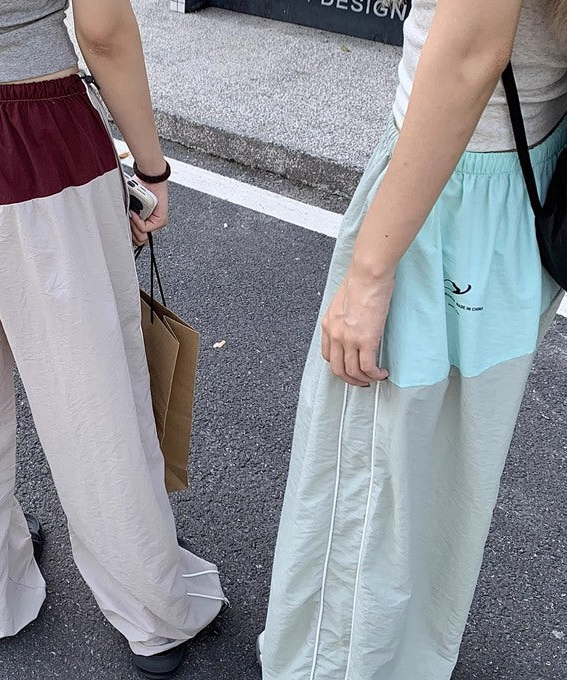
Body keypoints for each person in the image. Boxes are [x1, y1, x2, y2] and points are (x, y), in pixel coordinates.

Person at [0, 1, 227, 678]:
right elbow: (103, 33)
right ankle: (150, 610)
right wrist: (152, 170)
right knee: (91, 394)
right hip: (36, 133)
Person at [260, 1, 567, 678]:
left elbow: (469, 55)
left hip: (441, 193)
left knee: (369, 485)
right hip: (529, 188)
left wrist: (370, 272)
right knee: (451, 472)